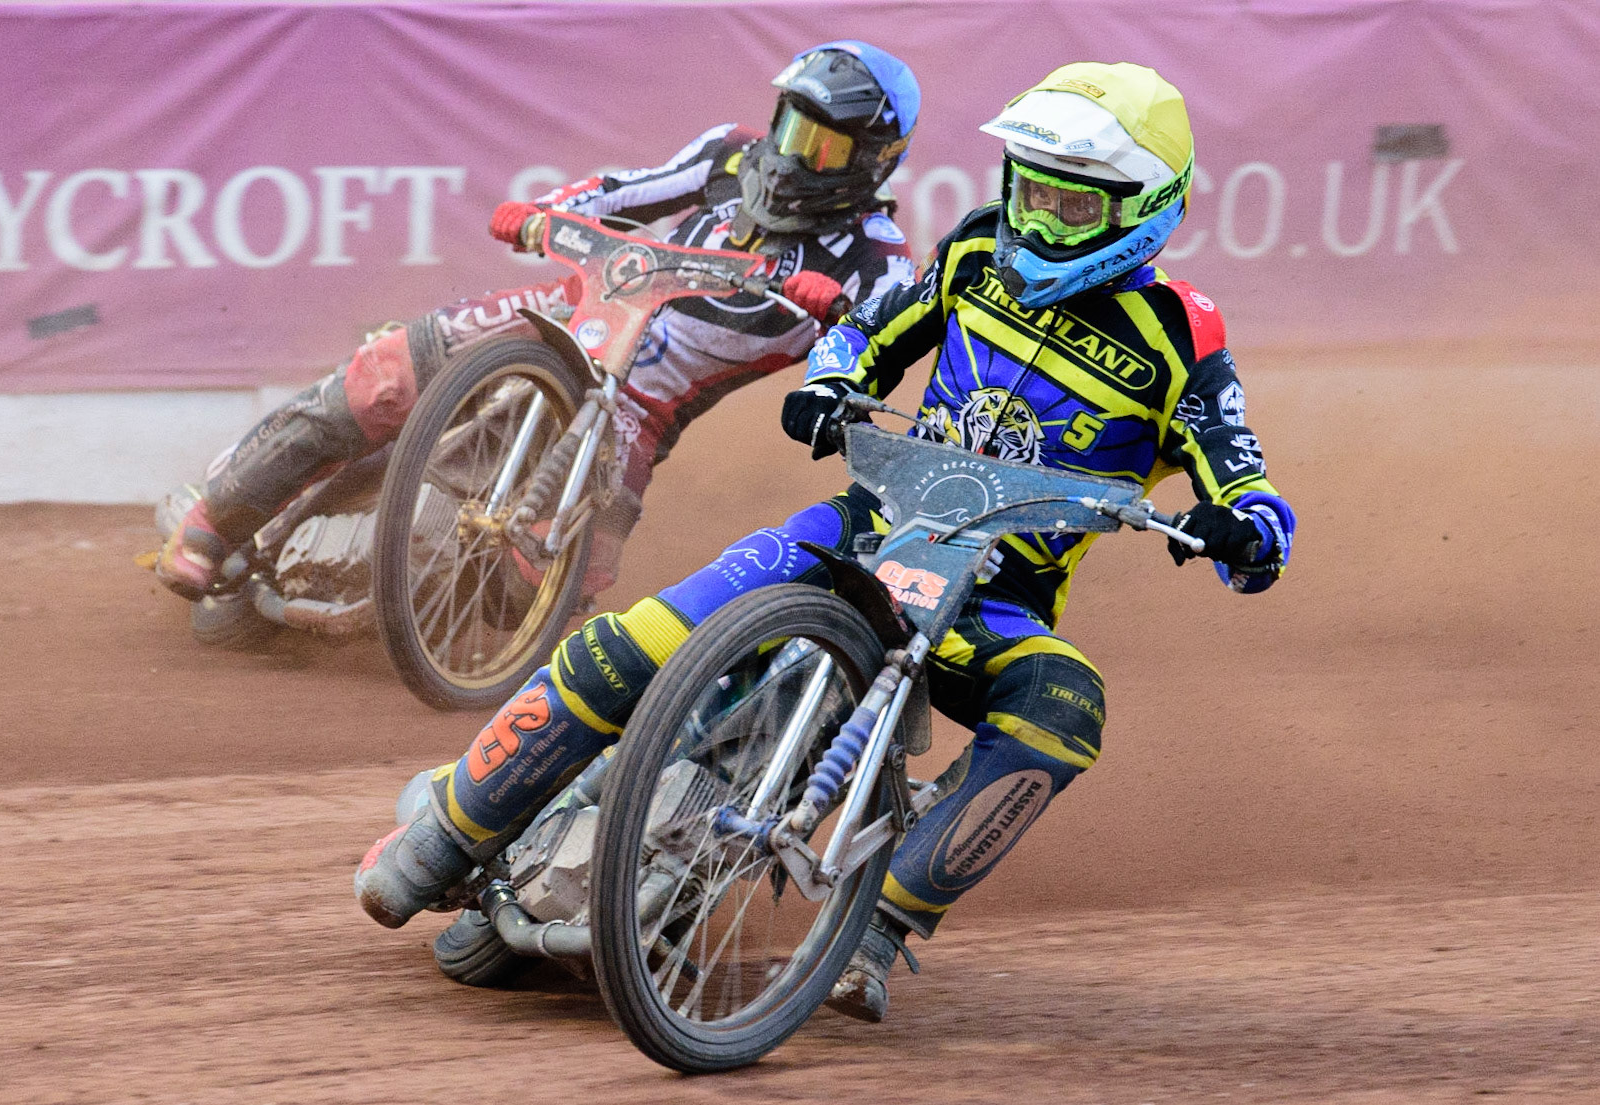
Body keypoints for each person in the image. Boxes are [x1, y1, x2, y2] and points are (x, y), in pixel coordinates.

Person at [354, 61, 1297, 1024]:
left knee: (1067, 702)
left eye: (1071, 203)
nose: (1041, 219)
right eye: (1031, 189)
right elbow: (864, 333)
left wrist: (1247, 530)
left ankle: (878, 927)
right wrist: (829, 382)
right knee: (637, 637)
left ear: (1146, 207)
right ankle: (446, 834)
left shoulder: (1184, 339)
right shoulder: (976, 253)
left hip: (991, 603)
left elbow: (1246, 473)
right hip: (862, 533)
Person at [154, 41, 921, 602]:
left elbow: (872, 349)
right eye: (792, 127)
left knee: (556, 584)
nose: (794, 157)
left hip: (642, 402)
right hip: (568, 314)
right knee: (382, 376)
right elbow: (627, 191)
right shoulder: (731, 154)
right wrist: (546, 213)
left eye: (823, 146)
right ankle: (214, 519)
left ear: (875, 161)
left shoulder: (877, 260)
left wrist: (846, 339)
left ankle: (418, 611)